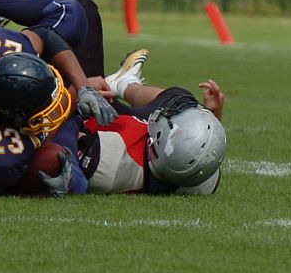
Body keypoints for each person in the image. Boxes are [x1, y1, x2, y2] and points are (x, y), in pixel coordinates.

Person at [0, 23, 117, 197]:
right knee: (65, 172)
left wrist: (83, 86)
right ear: (14, 117)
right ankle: (115, 89)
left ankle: (103, 95)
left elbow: (44, 34)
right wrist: (74, 95)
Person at [78, 49, 228, 194]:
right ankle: (125, 83)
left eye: (177, 132)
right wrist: (213, 116)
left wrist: (79, 89)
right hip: (144, 143)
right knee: (180, 99)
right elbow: (204, 150)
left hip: (96, 112)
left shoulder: (104, 160)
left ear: (161, 141)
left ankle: (122, 84)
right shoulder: (198, 177)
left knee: (77, 30)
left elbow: (67, 136)